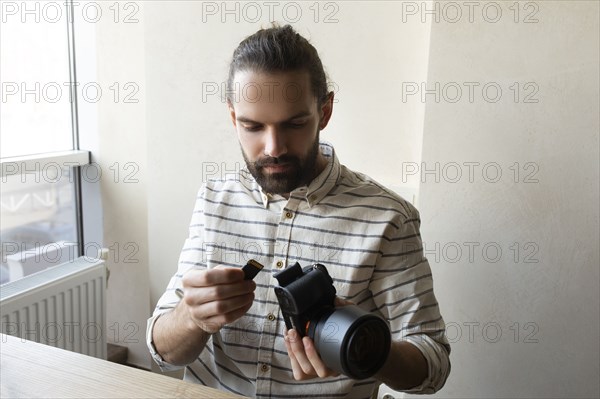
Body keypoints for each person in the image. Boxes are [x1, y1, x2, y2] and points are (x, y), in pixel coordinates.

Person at [146, 24, 450, 398]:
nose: (273, 147)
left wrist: (365, 348)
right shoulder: (213, 200)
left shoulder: (388, 217)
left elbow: (433, 365)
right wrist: (191, 318)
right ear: (232, 118)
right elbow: (162, 353)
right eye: (252, 126)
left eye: (294, 123)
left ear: (324, 111)